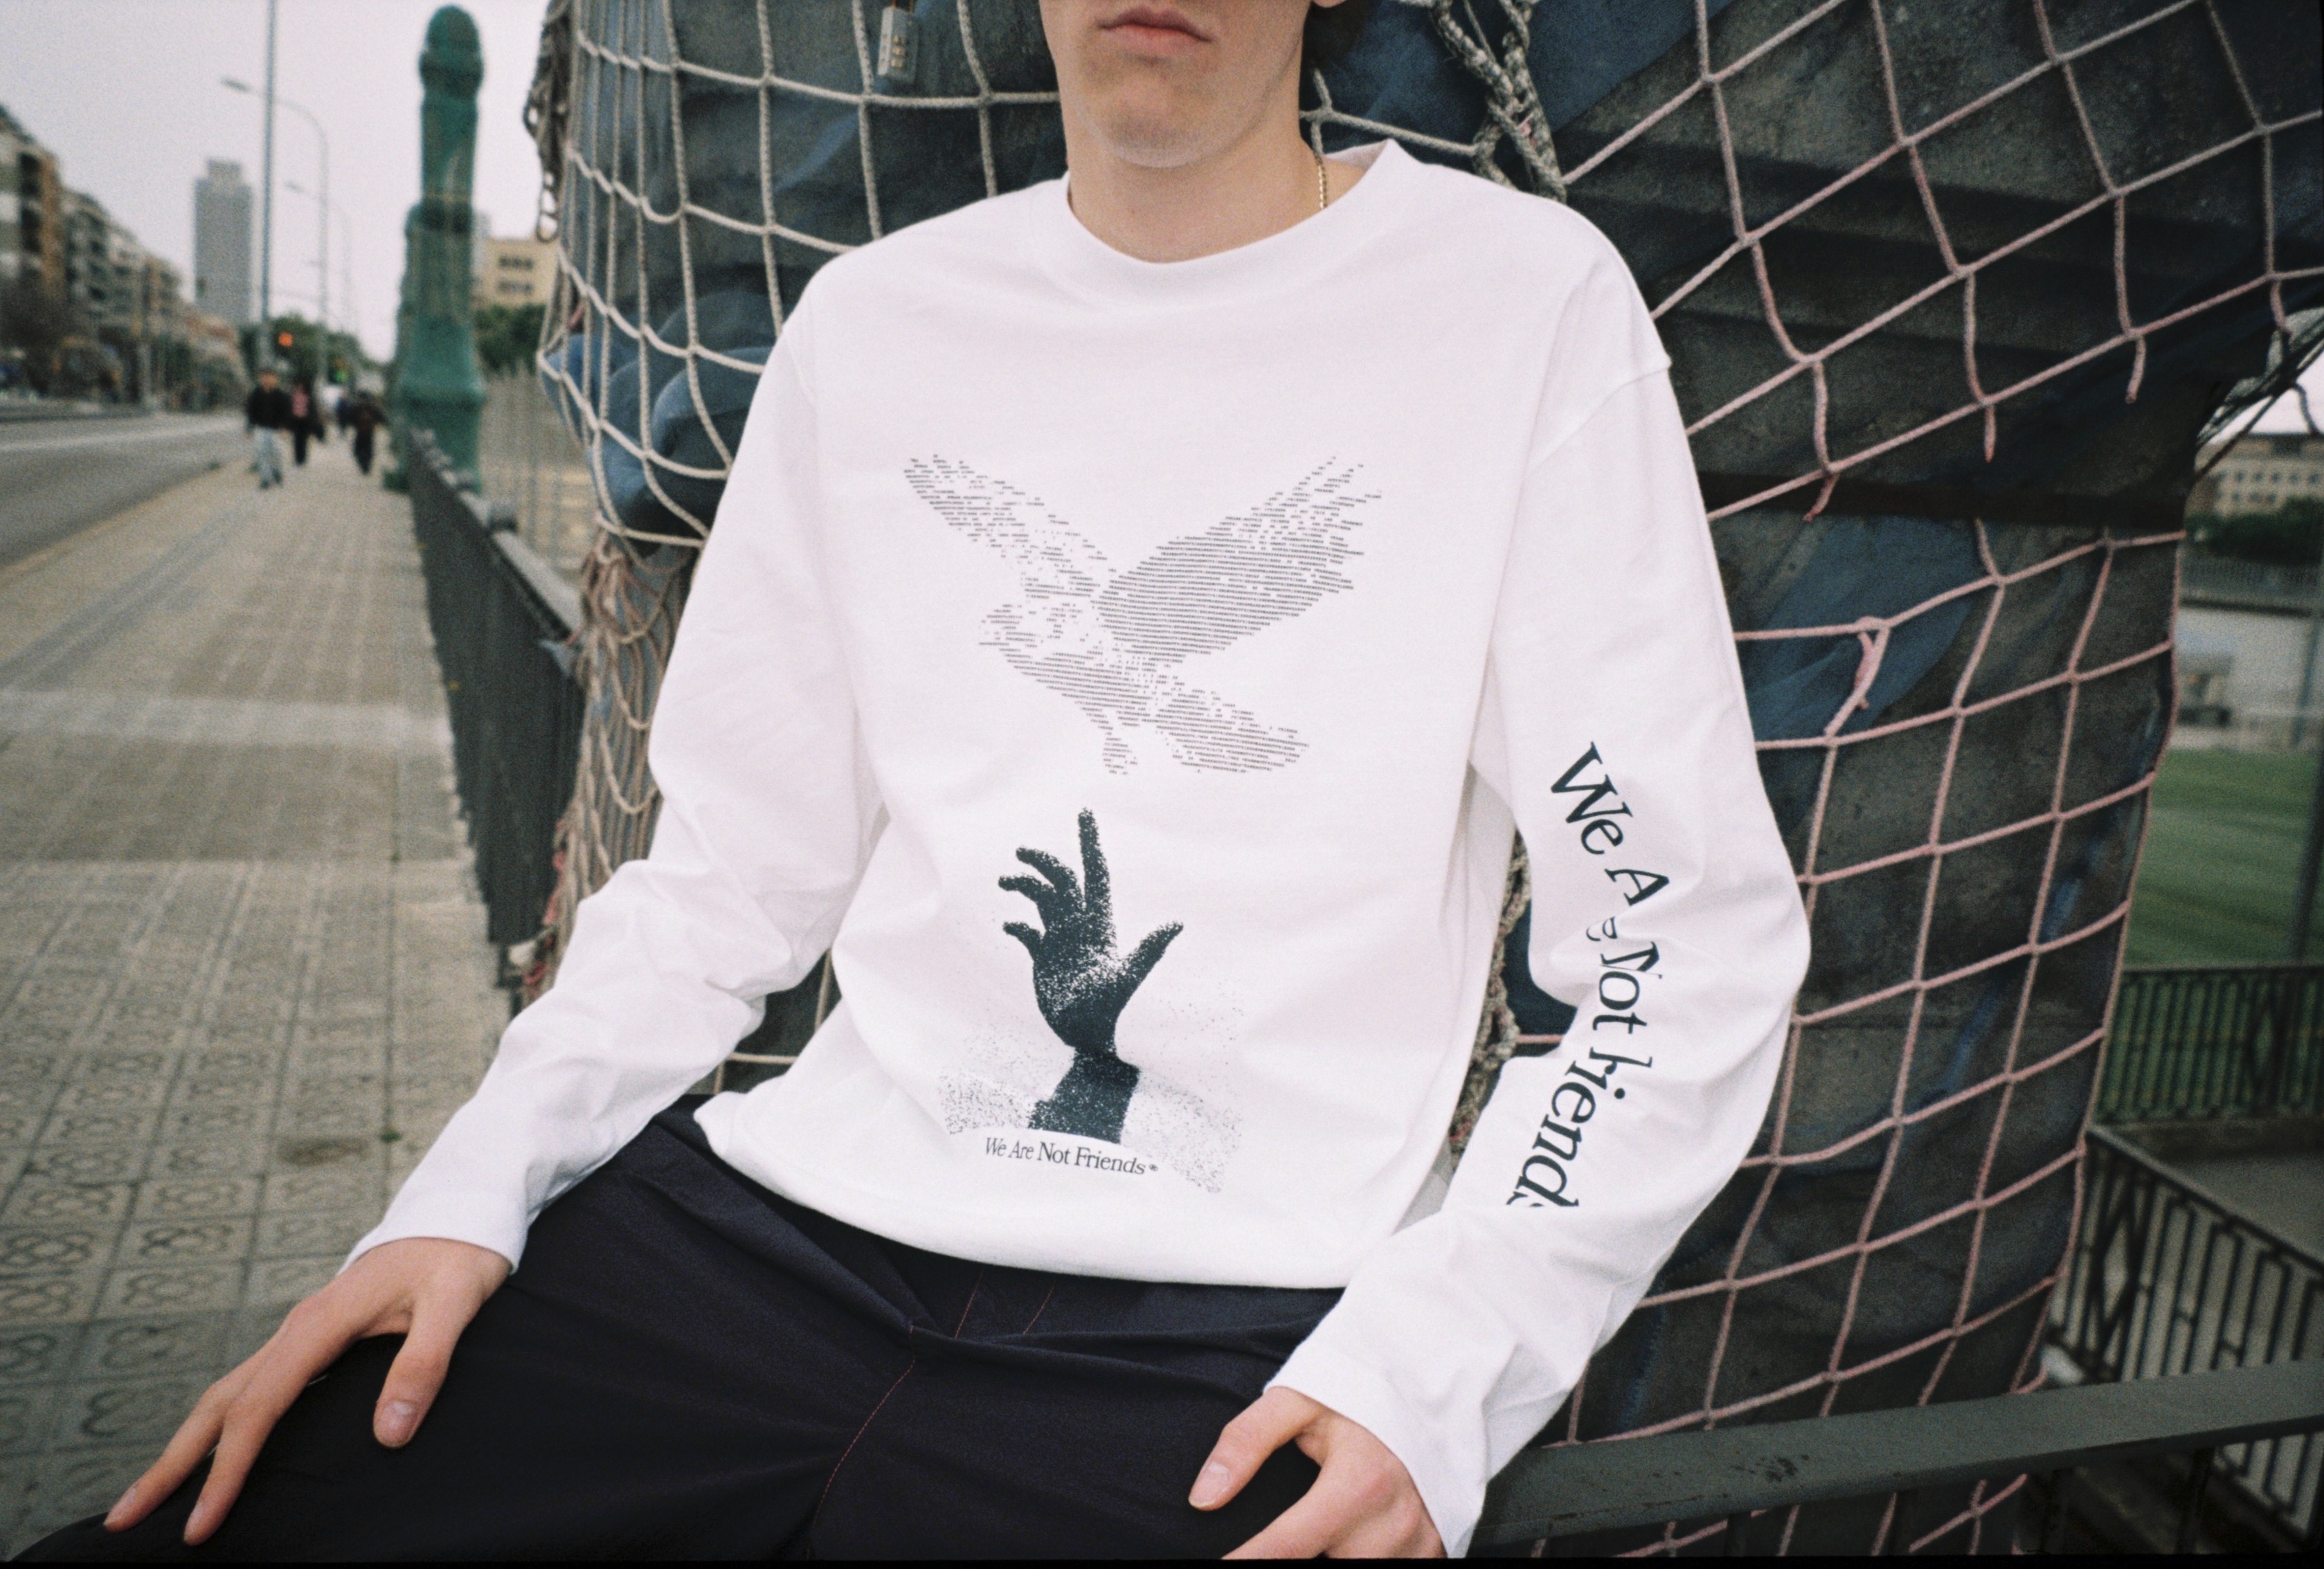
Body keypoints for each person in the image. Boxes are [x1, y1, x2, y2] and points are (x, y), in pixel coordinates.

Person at [35, 1, 1808, 1559]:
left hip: (1240, 1315)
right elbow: (724, 882)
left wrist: (1439, 1365)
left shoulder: (1517, 305)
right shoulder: (873, 323)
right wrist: (461, 1188)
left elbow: (1676, 944)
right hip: (764, 1243)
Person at [242, 369, 291, 490]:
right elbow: (251, 412)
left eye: (270, 377)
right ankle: (265, 479)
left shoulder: (281, 395)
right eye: (264, 377)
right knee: (262, 453)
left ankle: (277, 470)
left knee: (277, 453)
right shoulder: (256, 394)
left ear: (275, 379)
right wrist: (249, 428)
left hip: (276, 430)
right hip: (261, 428)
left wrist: (285, 428)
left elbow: (286, 413)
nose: (267, 380)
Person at [346, 391, 383, 478]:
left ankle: (363, 464)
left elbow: (349, 417)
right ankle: (367, 466)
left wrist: (353, 424)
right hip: (370, 431)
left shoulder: (356, 406)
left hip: (359, 431)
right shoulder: (372, 406)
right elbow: (381, 417)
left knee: (357, 450)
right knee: (369, 449)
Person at [288, 379, 314, 466]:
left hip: (305, 421)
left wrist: (311, 420)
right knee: (296, 440)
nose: (299, 388)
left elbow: (311, 409)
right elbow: (290, 408)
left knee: (303, 441)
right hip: (296, 421)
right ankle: (297, 459)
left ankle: (303, 458)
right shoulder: (293, 396)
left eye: (301, 386)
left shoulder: (308, 397)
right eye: (298, 386)